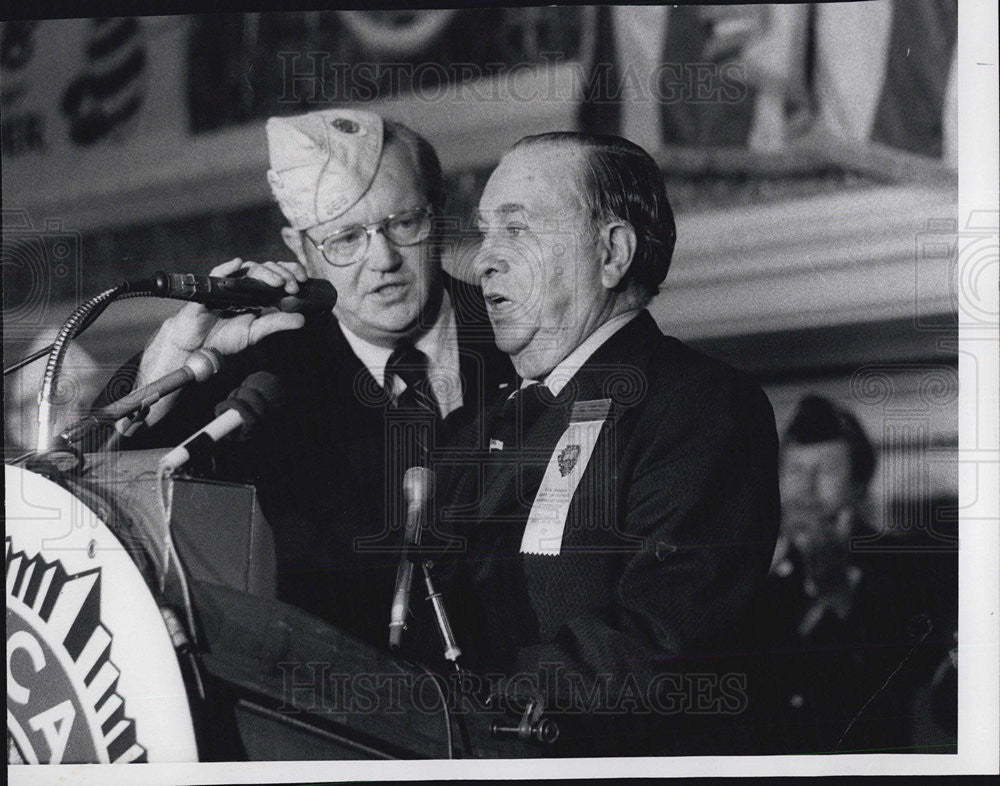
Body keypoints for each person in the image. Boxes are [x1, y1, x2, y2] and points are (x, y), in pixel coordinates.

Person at [94, 108, 513, 648]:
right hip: (337, 705)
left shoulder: (517, 332)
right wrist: (178, 348)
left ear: (439, 212)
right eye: (344, 239)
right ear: (299, 249)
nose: (382, 258)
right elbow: (103, 462)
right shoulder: (266, 364)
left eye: (404, 223)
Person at [422, 132, 780, 756]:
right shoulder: (472, 435)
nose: (482, 261)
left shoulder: (699, 406)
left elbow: (660, 644)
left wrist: (463, 707)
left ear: (612, 252)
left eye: (517, 229)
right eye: (485, 232)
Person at [749, 394, 924, 754]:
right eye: (795, 470)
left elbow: (902, 681)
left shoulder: (902, 562)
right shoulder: (751, 565)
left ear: (859, 483)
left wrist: (837, 593)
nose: (806, 487)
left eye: (827, 470)